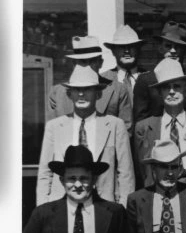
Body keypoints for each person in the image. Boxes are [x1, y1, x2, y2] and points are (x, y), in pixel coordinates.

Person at [37, 65, 134, 206]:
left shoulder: (114, 125)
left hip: (103, 206)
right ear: (69, 94)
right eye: (76, 89)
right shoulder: (55, 126)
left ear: (98, 94)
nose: (81, 94)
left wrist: (123, 211)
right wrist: (43, 209)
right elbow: (45, 173)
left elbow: (126, 174)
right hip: (61, 206)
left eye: (87, 89)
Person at [133, 58, 186, 189]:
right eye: (166, 87)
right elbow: (143, 171)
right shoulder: (144, 128)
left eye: (176, 86)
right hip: (159, 191)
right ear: (159, 93)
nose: (171, 91)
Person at [49, 35, 133, 134]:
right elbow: (53, 132)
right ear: (74, 63)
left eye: (92, 61)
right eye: (83, 61)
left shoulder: (118, 90)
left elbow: (125, 130)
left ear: (100, 63)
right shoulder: (58, 93)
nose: (87, 66)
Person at [133, 21, 186, 122]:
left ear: (185, 50)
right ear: (160, 48)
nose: (173, 51)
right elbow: (141, 121)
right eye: (168, 46)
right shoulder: (146, 80)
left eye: (178, 47)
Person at [102, 24, 149, 128]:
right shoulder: (103, 81)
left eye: (131, 46)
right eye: (121, 47)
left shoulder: (150, 78)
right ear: (113, 51)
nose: (127, 50)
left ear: (138, 50)